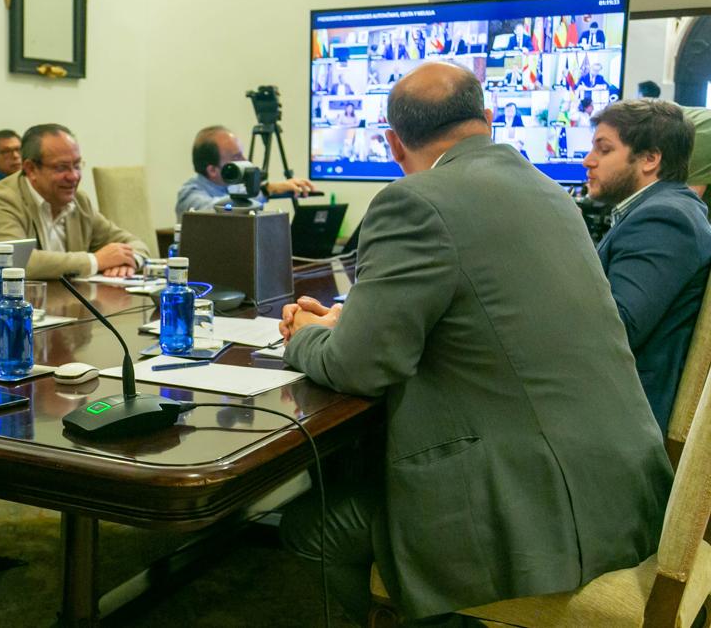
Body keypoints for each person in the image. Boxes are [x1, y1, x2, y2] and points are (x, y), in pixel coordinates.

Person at [278, 62, 671, 624]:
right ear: (487, 119)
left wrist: (306, 338)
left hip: (538, 507)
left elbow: (359, 369)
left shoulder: (412, 200)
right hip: (624, 488)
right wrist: (355, 322)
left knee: (316, 528)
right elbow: (492, 318)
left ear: (393, 144)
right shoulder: (551, 193)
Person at [583, 99, 711, 429]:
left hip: (620, 424)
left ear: (650, 159)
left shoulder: (664, 218)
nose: (588, 161)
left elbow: (617, 327)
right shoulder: (660, 209)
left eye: (604, 149)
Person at [0, 123, 150, 279]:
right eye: (62, 167)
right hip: (1, 315)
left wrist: (129, 260)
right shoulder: (3, 202)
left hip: (68, 309)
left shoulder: (79, 201)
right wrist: (96, 261)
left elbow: (133, 242)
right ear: (30, 169)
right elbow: (17, 262)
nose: (73, 176)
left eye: (77, 165)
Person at [175, 126, 316, 218]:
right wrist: (266, 190)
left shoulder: (234, 189)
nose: (245, 161)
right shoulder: (190, 194)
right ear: (212, 170)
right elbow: (220, 210)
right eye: (236, 157)